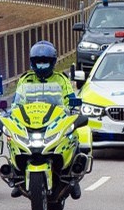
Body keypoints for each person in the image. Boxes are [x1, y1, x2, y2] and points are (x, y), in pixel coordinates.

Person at [14, 41, 91, 198]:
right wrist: (12, 113)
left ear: (53, 62)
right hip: (31, 121)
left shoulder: (61, 79)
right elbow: (17, 102)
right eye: (38, 62)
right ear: (32, 62)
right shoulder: (25, 79)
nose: (42, 66)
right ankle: (17, 176)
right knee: (13, 139)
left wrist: (74, 109)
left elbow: (70, 99)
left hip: (55, 120)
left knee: (74, 136)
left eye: (45, 62)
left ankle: (73, 179)